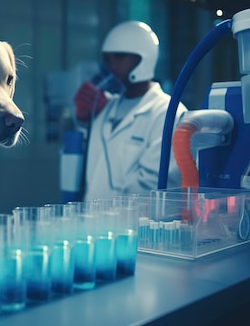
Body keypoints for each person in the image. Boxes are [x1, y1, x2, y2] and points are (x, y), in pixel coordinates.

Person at [73, 20, 187, 200]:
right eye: (107, 59)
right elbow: (84, 163)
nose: (112, 65)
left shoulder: (168, 113)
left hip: (132, 226)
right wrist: (83, 118)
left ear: (143, 58)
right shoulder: (104, 107)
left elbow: (151, 186)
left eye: (119, 57)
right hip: (92, 222)